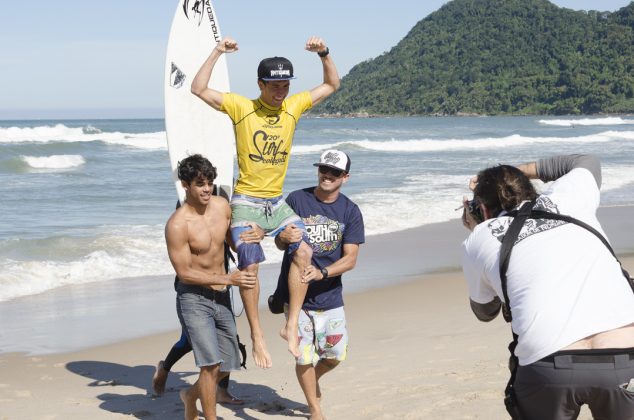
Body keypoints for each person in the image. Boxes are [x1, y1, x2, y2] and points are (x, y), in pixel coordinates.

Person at [191, 35, 341, 368]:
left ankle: (290, 324)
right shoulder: (241, 107)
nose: (281, 89)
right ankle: (257, 335)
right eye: (274, 84)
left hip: (277, 202)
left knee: (304, 249)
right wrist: (216, 50)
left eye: (285, 83)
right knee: (250, 263)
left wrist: (323, 53)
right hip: (246, 201)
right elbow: (198, 88)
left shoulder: (293, 106)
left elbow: (332, 84)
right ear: (260, 84)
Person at [461, 154, 634, 419]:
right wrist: (514, 173)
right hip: (626, 354)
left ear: (482, 209)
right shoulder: (569, 197)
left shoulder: (481, 237)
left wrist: (477, 230)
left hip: (548, 364)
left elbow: (485, 312)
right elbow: (586, 161)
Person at [269, 149, 364, 420]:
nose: (327, 176)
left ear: (345, 177)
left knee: (335, 355)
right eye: (324, 169)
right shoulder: (297, 199)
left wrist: (322, 273)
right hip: (296, 296)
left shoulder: (350, 211)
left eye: (334, 172)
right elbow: (279, 242)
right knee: (303, 358)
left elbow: (350, 260)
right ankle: (315, 409)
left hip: (330, 297)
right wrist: (283, 237)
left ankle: (312, 380)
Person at [165, 154, 257, 420]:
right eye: (200, 183)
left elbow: (232, 240)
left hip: (222, 297)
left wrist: (256, 234)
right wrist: (229, 279)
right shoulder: (177, 224)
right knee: (210, 364)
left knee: (229, 362)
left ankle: (189, 396)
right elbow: (184, 273)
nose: (207, 189)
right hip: (194, 299)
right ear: (185, 185)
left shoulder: (222, 206)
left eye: (209, 183)